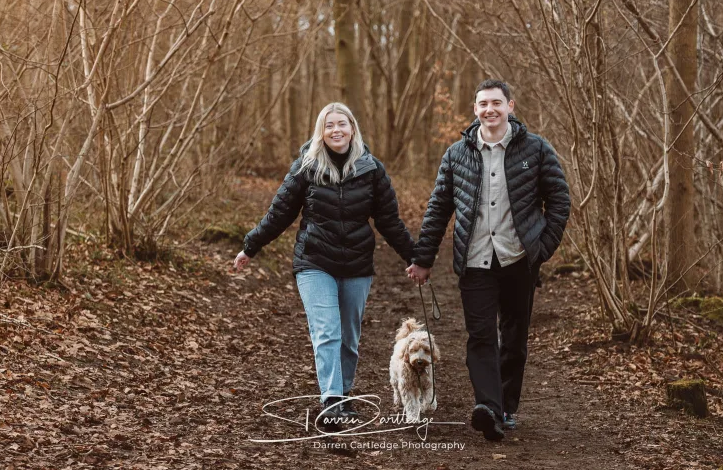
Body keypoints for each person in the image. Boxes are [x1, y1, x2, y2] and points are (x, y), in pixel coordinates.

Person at [406, 79, 571, 441]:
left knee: (514, 339)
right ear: (475, 109)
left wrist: (541, 248)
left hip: (519, 260)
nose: (489, 110)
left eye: (496, 103)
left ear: (510, 106)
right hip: (475, 260)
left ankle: (507, 407)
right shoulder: (457, 154)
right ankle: (488, 408)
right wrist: (423, 258)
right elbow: (438, 209)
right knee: (480, 337)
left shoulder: (536, 149)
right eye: (483, 104)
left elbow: (559, 200)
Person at [233, 102, 415, 429]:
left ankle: (343, 396)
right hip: (314, 261)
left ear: (352, 129)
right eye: (329, 125)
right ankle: (331, 401)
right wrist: (251, 245)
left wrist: (415, 257)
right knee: (327, 331)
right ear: (321, 131)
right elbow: (280, 212)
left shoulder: (372, 169)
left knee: (348, 337)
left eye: (341, 124)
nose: (336, 130)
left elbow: (389, 221)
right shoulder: (306, 167)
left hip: (357, 263)